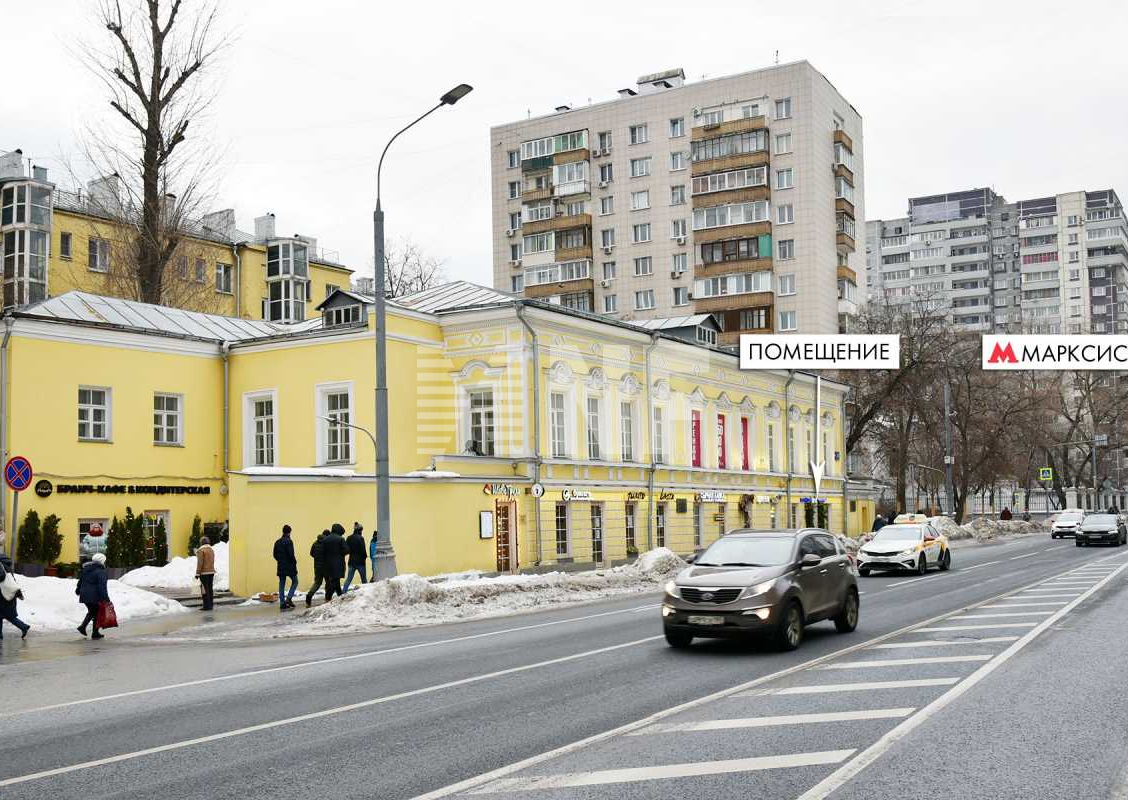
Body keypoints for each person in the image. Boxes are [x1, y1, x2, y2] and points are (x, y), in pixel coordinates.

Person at [76, 552, 110, 639]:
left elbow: (80, 581)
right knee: (96, 612)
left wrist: (78, 589)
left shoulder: (86, 569)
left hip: (84, 594)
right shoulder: (101, 572)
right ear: (102, 561)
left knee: (93, 612)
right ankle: (86, 629)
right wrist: (106, 599)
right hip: (94, 596)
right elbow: (102, 587)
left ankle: (92, 631)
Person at [0, 555, 30, 640]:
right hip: (8, 593)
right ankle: (23, 627)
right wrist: (18, 593)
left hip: (3, 595)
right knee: (5, 615)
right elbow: (13, 581)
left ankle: (23, 627)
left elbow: (1, 576)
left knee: (7, 615)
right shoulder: (6, 566)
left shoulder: (1, 565)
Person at [273, 525, 298, 611]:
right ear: (289, 532)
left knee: (282, 583)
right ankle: (289, 598)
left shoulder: (277, 542)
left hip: (281, 565)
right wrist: (294, 562)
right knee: (295, 581)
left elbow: (274, 554)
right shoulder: (289, 541)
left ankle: (282, 603)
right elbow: (291, 554)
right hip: (289, 566)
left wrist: (280, 560)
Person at [321, 523, 349, 603]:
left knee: (336, 581)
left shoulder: (325, 539)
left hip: (327, 564)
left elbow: (322, 552)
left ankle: (340, 595)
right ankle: (328, 597)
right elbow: (346, 550)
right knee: (334, 581)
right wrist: (340, 553)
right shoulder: (341, 539)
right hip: (338, 564)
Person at [305, 530, 329, 607]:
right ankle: (327, 598)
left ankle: (309, 596)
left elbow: (311, 553)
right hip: (326, 566)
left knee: (317, 582)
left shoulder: (315, 543)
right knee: (328, 582)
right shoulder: (327, 544)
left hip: (317, 567)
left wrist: (317, 559)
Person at [343, 522, 367, 592]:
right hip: (360, 562)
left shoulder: (349, 538)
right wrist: (365, 557)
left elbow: (346, 549)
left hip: (351, 561)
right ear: (359, 530)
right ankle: (366, 592)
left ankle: (344, 591)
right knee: (364, 579)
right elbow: (363, 550)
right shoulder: (361, 538)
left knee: (349, 579)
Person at [196, 536, 216, 611]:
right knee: (210, 589)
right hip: (211, 572)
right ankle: (211, 605)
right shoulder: (211, 550)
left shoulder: (201, 551)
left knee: (204, 590)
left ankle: (206, 606)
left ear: (201, 543)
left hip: (204, 573)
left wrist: (197, 573)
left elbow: (200, 563)